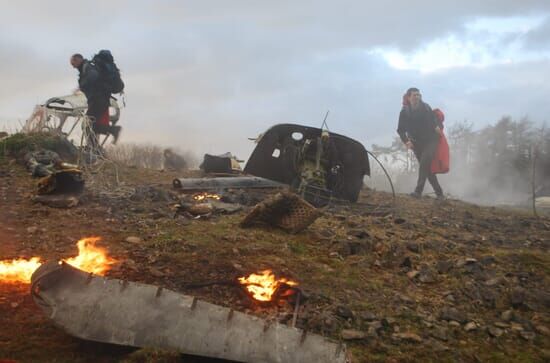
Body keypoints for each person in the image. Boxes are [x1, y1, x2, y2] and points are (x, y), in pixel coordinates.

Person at [397, 87, 444, 199]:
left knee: (424, 164)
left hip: (431, 140)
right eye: (414, 95)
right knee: (427, 169)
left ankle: (418, 192)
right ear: (409, 97)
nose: (417, 97)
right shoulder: (404, 112)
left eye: (419, 95)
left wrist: (438, 126)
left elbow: (435, 121)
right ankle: (440, 194)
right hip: (416, 143)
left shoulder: (426, 107)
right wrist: (406, 141)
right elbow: (400, 130)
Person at [70, 53, 121, 146]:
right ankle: (97, 144)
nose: (73, 67)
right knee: (90, 125)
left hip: (98, 100)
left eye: (73, 63)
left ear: (78, 59)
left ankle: (95, 146)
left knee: (87, 125)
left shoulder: (87, 67)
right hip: (98, 100)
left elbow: (93, 77)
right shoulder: (86, 68)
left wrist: (82, 86)